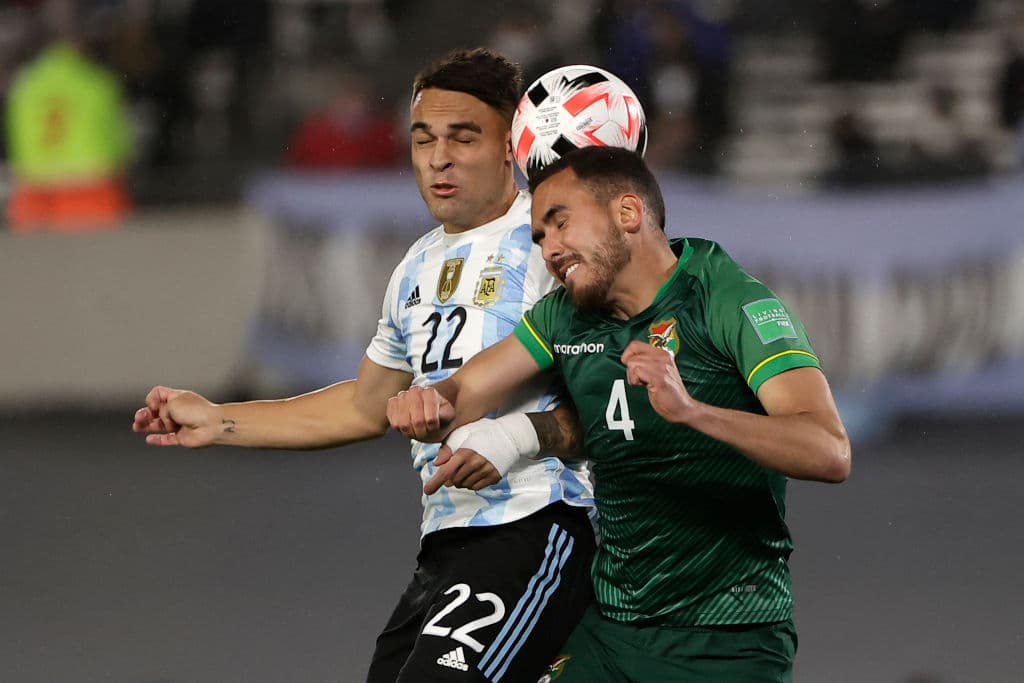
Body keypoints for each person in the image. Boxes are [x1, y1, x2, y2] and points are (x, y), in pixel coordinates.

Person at [132, 48, 595, 683]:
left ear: (510, 146)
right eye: (424, 139)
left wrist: (517, 435)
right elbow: (362, 406)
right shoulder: (415, 266)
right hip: (449, 544)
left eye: (464, 138)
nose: (439, 158)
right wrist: (220, 421)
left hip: (540, 528)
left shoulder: (552, 240)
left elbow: (613, 387)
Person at [387, 146, 852, 682]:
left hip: (729, 639)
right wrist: (429, 398)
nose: (550, 250)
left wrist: (694, 412)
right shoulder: (565, 316)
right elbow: (467, 387)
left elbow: (829, 450)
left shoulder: (729, 302)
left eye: (560, 224)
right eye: (540, 237)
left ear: (628, 214)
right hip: (613, 631)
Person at [5, 2, 132, 232]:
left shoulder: (23, 87)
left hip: (35, 199)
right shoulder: (97, 83)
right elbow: (121, 150)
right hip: (92, 196)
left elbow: (15, 147)